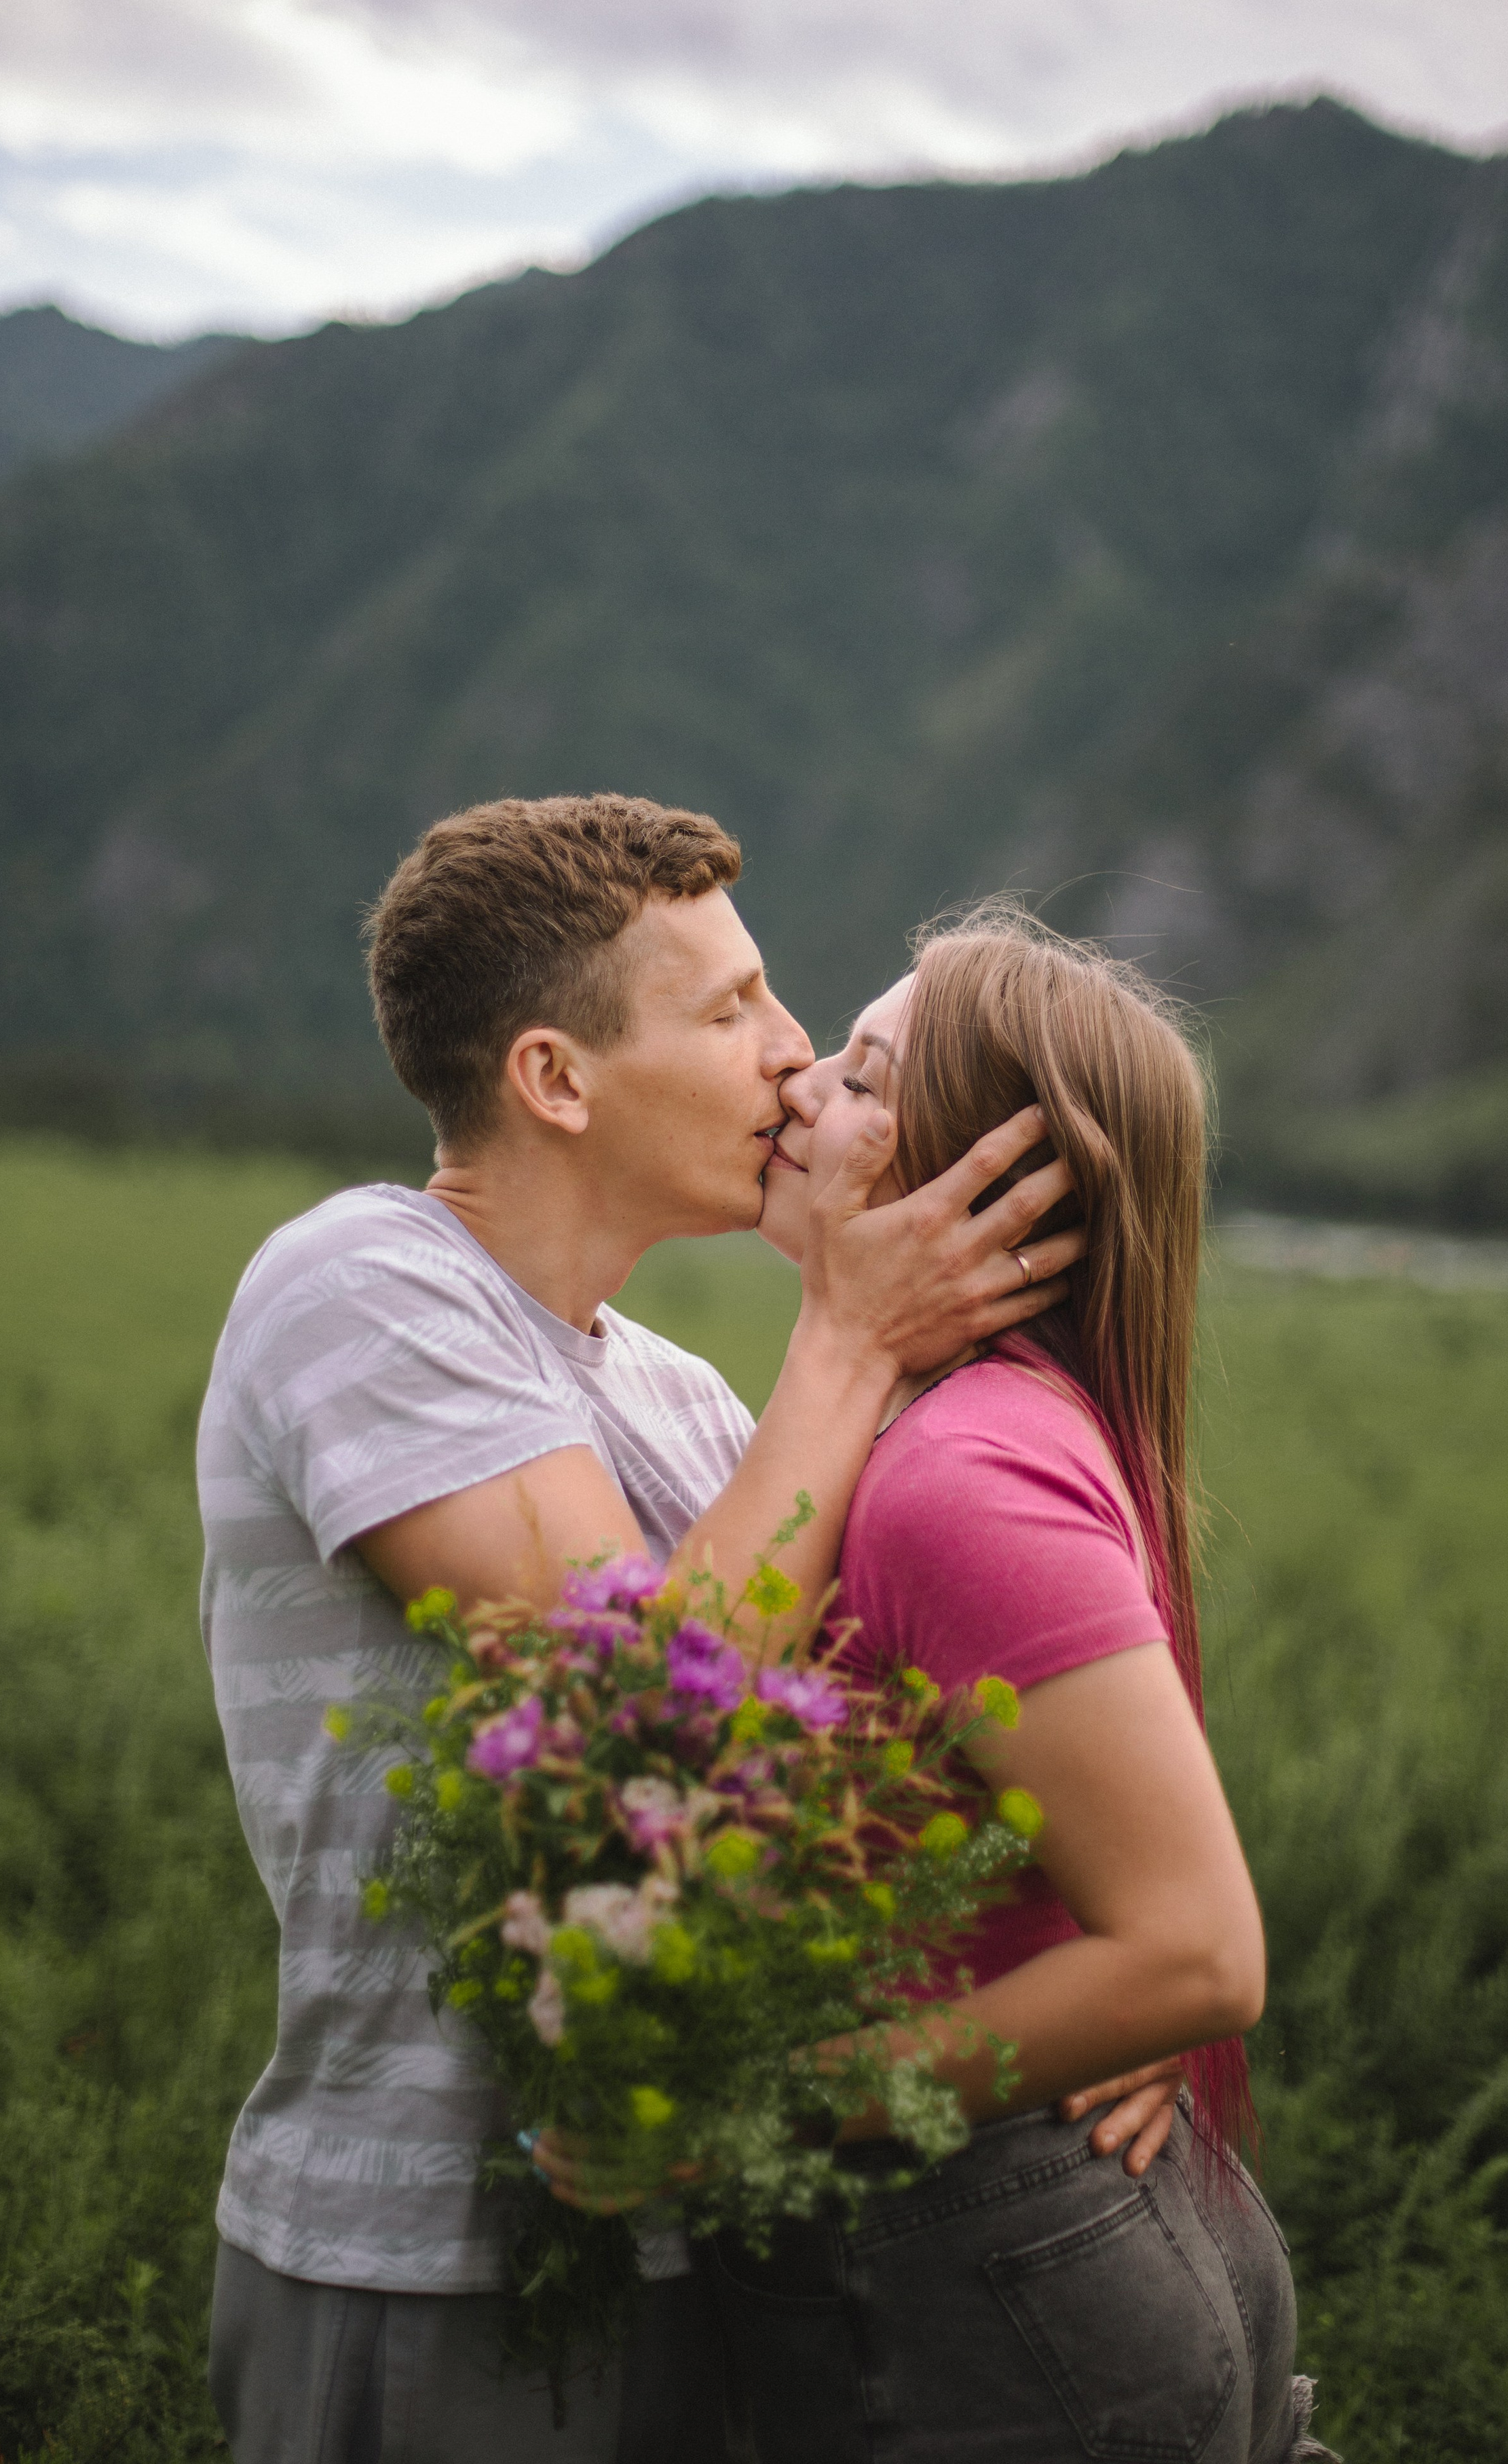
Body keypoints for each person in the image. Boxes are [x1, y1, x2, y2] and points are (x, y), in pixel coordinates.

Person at [199, 794, 1145, 2464]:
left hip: (711, 2239)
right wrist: (851, 1338)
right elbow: (634, 1708)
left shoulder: (682, 1396)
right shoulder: (355, 1281)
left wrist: (1095, 2009)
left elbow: (841, 1785)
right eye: (730, 1011)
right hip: (426, 2262)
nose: (792, 1059)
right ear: (555, 1081)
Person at [683, 907, 1335, 2464]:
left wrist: (760, 2110)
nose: (794, 1090)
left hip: (994, 2276)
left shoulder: (957, 1475)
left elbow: (1191, 1946)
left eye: (860, 1076)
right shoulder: (951, 1436)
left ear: (993, 1182)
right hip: (1046, 2240)